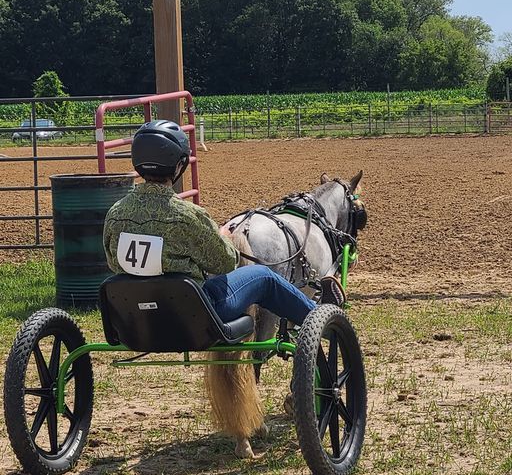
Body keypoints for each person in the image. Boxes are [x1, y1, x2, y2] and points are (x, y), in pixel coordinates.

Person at [103, 119, 343, 324]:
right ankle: (321, 317)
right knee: (265, 276)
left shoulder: (114, 213)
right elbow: (226, 263)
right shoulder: (188, 216)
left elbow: (115, 263)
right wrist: (223, 239)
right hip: (193, 315)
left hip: (133, 316)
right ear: (179, 165)